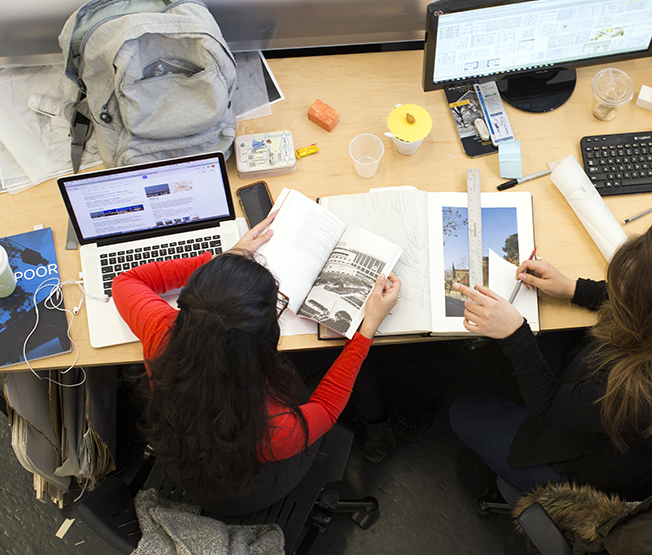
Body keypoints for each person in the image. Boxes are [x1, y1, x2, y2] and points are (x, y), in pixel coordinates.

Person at [112, 214, 421, 515]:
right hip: (247, 492)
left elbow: (126, 281)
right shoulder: (275, 428)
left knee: (331, 352)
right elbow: (326, 408)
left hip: (191, 460)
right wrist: (367, 330)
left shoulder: (161, 331)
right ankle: (381, 437)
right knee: (345, 352)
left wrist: (226, 263)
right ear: (261, 339)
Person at [449, 220, 652, 502]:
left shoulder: (640, 390)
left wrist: (516, 334)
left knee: (464, 411)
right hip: (633, 434)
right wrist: (574, 288)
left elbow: (548, 408)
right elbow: (649, 294)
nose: (618, 292)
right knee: (546, 340)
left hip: (595, 479)